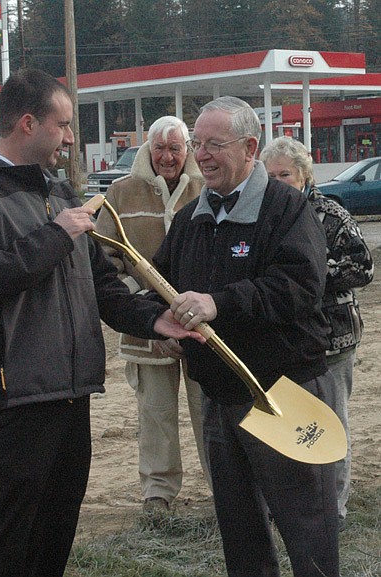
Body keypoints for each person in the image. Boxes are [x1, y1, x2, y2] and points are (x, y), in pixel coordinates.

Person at [0, 69, 203, 577]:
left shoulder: (61, 193)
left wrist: (156, 318)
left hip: (71, 394)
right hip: (12, 401)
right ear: (28, 123)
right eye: (63, 125)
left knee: (53, 540)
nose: (71, 138)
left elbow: (100, 286)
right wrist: (55, 235)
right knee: (6, 544)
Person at [152, 96, 340, 577]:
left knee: (306, 527)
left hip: (284, 392)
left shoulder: (288, 208)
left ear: (251, 146)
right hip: (219, 398)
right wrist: (164, 326)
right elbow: (161, 280)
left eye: (215, 144)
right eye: (198, 144)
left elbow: (299, 286)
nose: (203, 155)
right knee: (240, 531)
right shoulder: (193, 216)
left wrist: (220, 303)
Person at [96, 116, 211, 512]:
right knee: (156, 415)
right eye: (159, 148)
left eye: (176, 148)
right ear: (148, 149)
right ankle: (157, 493)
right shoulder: (121, 193)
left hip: (203, 328)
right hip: (145, 328)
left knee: (210, 412)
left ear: (188, 150)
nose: (168, 157)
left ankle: (225, 487)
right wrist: (140, 307)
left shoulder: (207, 189)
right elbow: (104, 262)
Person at [260, 136, 374, 527]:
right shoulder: (262, 214)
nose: (277, 181)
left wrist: (311, 276)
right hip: (281, 340)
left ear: (305, 176)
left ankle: (334, 508)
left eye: (285, 174)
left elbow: (364, 267)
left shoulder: (329, 214)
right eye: (270, 175)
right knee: (290, 426)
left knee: (331, 424)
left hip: (333, 339)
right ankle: (287, 507)